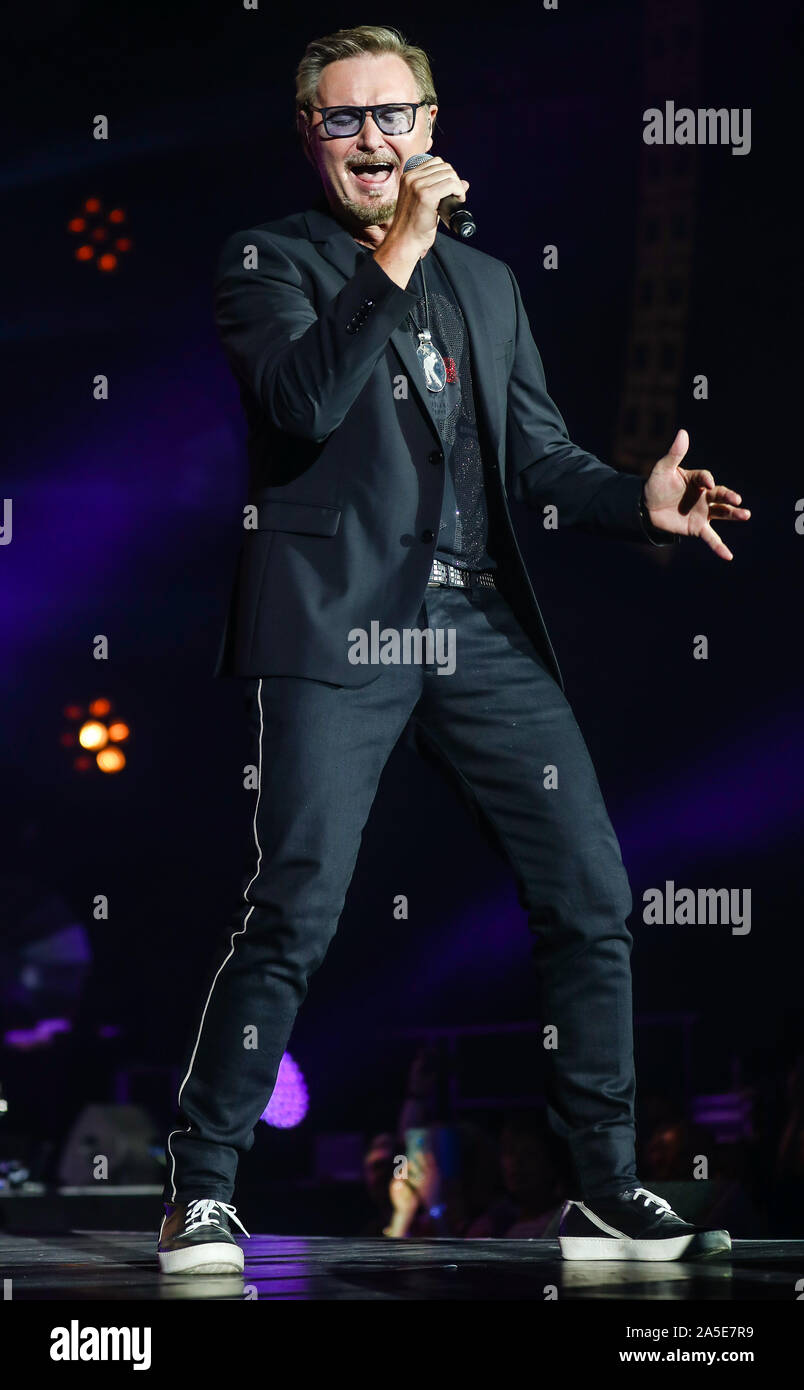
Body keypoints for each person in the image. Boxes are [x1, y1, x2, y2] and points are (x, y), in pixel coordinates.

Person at [157, 25, 750, 1275]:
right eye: (344, 119)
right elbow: (301, 402)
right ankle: (200, 1185)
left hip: (472, 619)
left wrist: (634, 499)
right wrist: (398, 253)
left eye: (395, 114)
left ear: (432, 125)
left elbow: (539, 456)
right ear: (311, 137)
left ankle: (603, 1184)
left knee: (590, 890)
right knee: (296, 903)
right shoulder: (268, 260)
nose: (373, 139)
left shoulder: (487, 284)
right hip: (336, 617)